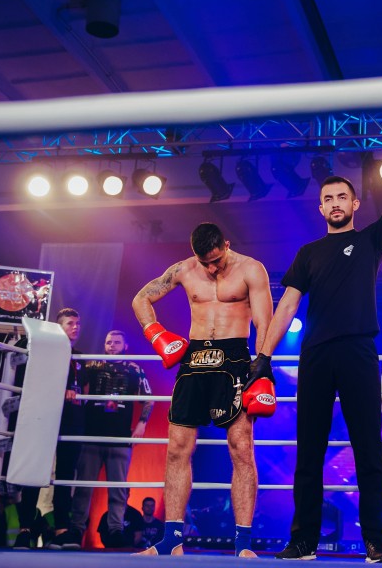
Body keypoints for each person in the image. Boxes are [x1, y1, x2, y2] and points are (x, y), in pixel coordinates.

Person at [256, 144, 382, 564]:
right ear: (320, 208)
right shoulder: (308, 253)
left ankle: (376, 542)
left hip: (358, 351)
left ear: (354, 204)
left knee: (368, 447)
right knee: (309, 450)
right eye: (328, 198)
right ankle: (303, 541)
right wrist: (263, 356)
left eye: (342, 197)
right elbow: (287, 305)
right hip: (316, 355)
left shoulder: (370, 239)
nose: (335, 203)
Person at [132, 222, 273, 557]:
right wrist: (155, 333)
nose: (211, 268)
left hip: (235, 358)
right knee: (177, 448)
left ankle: (243, 544)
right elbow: (141, 298)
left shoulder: (251, 269)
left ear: (227, 244)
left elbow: (263, 321)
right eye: (204, 262)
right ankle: (172, 540)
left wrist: (262, 364)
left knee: (241, 448)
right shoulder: (184, 269)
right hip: (194, 360)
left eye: (216, 260)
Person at [52, 330, 154, 550]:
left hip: (120, 437)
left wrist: (142, 423)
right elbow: (76, 387)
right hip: (91, 434)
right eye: (108, 342)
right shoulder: (91, 365)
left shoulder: (134, 368)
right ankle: (76, 529)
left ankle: (116, 530)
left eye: (117, 342)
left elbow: (149, 399)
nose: (112, 345)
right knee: (83, 487)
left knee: (117, 489)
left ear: (125, 346)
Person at [13, 307, 86, 549]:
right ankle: (25, 528)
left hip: (71, 420)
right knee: (34, 471)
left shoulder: (80, 357)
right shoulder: (43, 352)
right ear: (58, 327)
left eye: (77, 323)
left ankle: (62, 529)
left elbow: (84, 389)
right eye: (70, 323)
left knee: (65, 475)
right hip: (43, 417)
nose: (75, 327)